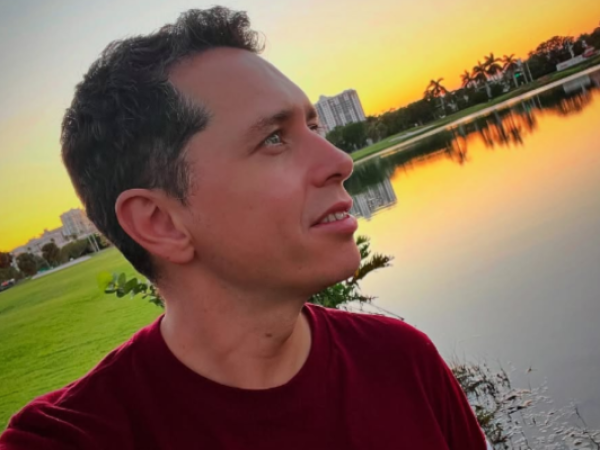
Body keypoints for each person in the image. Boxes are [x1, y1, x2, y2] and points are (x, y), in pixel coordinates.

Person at [0, 7, 487, 449]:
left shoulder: (401, 360)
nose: (340, 162)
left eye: (314, 127)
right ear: (161, 223)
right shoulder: (68, 439)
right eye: (274, 139)